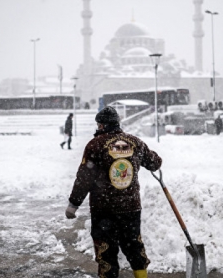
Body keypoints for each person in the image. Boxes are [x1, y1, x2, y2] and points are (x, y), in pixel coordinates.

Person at [65, 106, 162, 278]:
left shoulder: (95, 145)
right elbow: (154, 162)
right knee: (134, 248)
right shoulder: (135, 142)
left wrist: (74, 204)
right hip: (131, 208)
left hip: (104, 210)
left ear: (101, 125)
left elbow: (84, 178)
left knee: (106, 255)